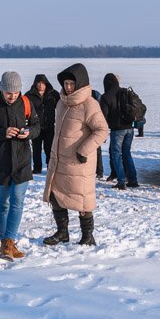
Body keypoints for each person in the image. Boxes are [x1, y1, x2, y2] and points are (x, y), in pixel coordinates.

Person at [42, 63, 109, 247]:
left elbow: (102, 130)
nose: (68, 87)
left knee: (83, 200)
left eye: (72, 83)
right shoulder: (61, 103)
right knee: (55, 196)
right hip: (59, 160)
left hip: (79, 163)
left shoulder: (90, 104)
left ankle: (88, 236)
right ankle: (62, 232)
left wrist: (84, 149)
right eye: (66, 84)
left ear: (80, 83)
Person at [0, 71, 40, 260]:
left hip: (21, 161)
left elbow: (36, 126)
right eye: (9, 93)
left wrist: (28, 133)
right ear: (2, 90)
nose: (12, 96)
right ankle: (6, 245)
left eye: (16, 92)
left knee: (17, 202)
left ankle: (8, 242)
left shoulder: (26, 103)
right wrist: (3, 133)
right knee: (3, 203)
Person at [101, 73, 139, 189]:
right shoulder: (125, 91)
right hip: (130, 128)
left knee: (116, 154)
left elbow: (103, 116)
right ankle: (133, 180)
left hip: (117, 130)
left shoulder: (105, 97)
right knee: (127, 154)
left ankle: (121, 181)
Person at [25, 74, 60, 173]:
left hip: (49, 126)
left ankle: (50, 167)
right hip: (35, 127)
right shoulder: (29, 95)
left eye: (43, 83)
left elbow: (62, 105)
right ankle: (37, 168)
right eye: (38, 83)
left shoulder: (53, 94)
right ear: (35, 84)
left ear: (46, 84)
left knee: (49, 148)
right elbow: (23, 109)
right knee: (36, 149)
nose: (40, 85)